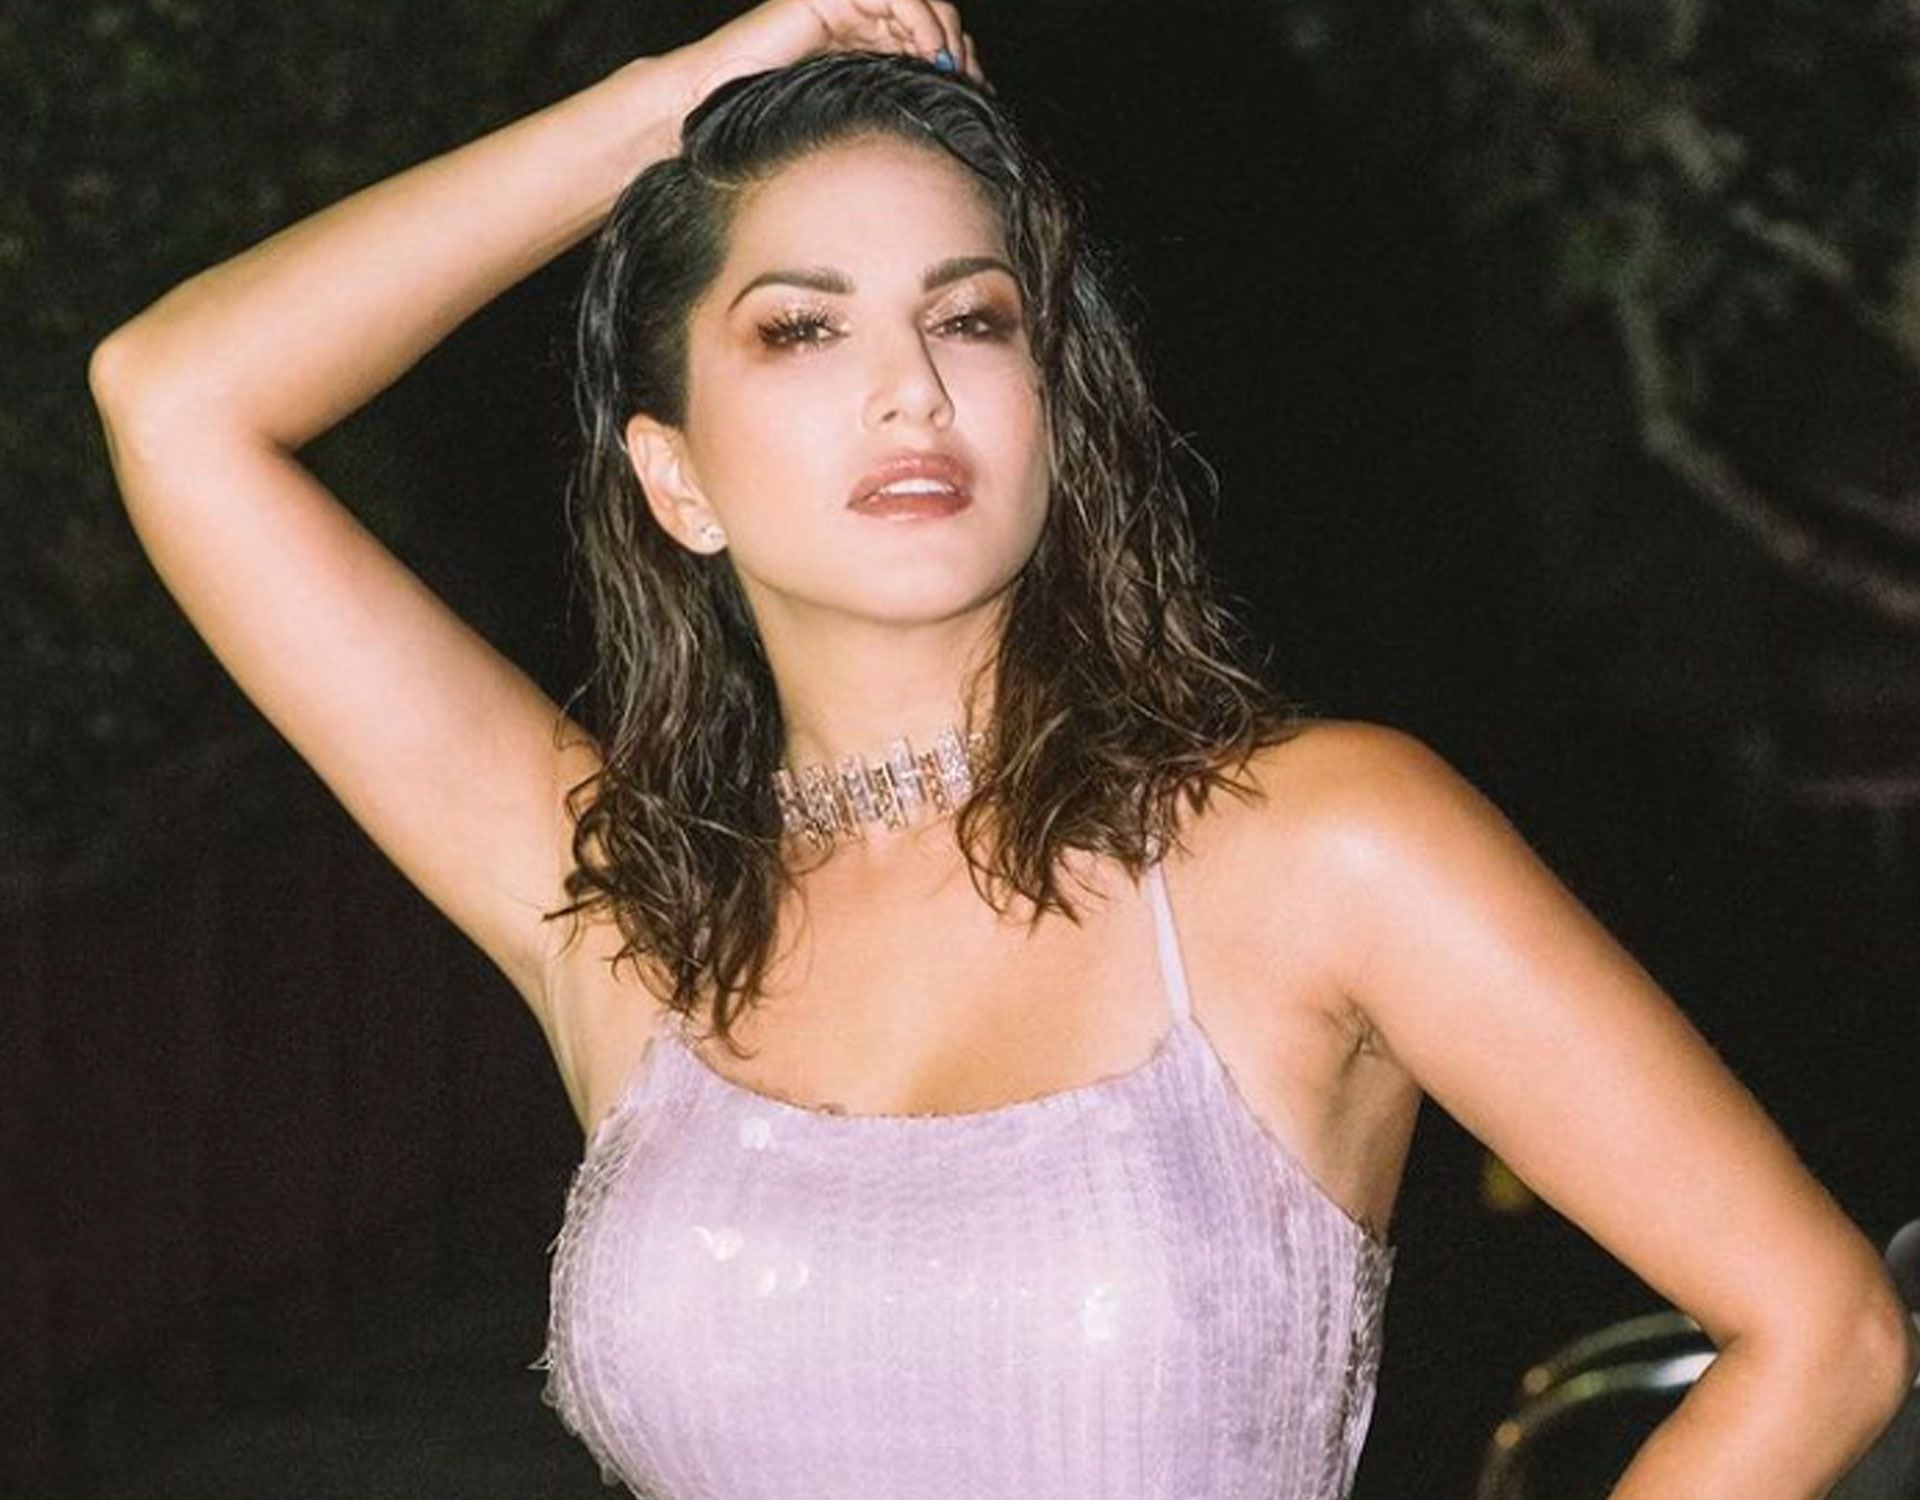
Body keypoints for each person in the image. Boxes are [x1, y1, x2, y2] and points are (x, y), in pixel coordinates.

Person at [87, 2, 1915, 1496]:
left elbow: (1821, 1335)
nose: (911, 386)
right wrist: (676, 104)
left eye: (972, 317)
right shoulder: (628, 917)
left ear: (1053, 418)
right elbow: (175, 401)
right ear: (676, 478)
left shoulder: (1316, 847)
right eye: (802, 328)